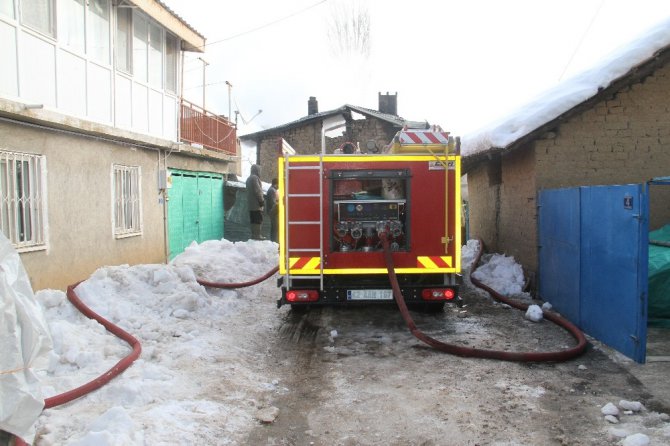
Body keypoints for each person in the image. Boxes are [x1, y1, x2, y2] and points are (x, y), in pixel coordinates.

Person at [246, 164, 265, 240]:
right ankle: (257, 235)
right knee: (258, 219)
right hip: (256, 204)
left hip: (250, 204)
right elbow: (258, 190)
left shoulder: (249, 178)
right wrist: (261, 200)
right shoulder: (255, 178)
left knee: (253, 220)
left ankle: (254, 235)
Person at [266, 178, 279, 242]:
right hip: (273, 212)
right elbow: (273, 203)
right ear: (276, 184)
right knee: (275, 228)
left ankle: (273, 241)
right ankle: (273, 241)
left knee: (274, 228)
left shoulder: (272, 190)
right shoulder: (272, 190)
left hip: (272, 212)